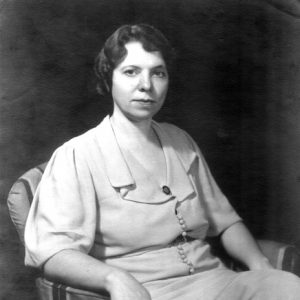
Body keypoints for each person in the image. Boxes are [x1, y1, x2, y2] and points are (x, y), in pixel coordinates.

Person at [24, 24, 300, 300]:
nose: (146, 85)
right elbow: (54, 253)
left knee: (288, 287)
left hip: (218, 282)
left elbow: (225, 222)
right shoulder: (77, 155)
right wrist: (114, 278)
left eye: (158, 73)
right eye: (130, 72)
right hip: (149, 292)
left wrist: (261, 267)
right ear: (109, 79)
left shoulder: (179, 141)